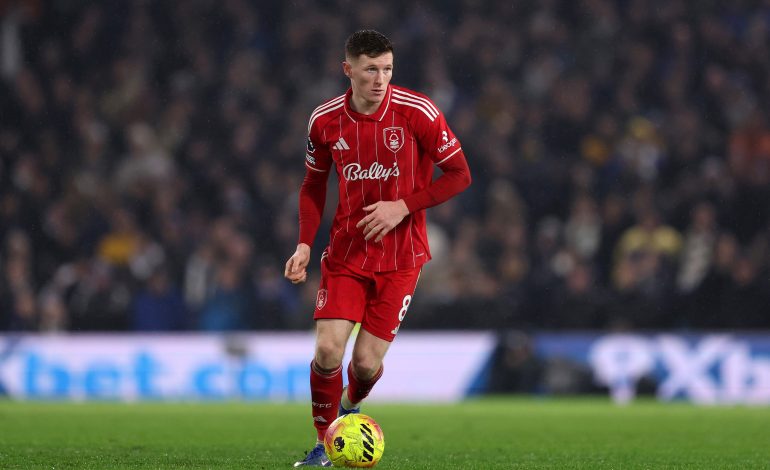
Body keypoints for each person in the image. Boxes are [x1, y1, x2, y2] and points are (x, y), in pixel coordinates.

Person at [284, 30, 472, 467]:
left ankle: (349, 407)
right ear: (347, 70)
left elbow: (460, 174)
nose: (380, 79)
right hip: (347, 254)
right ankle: (324, 443)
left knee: (366, 364)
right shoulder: (324, 121)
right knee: (328, 350)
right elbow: (313, 185)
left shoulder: (418, 112)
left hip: (402, 258)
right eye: (370, 69)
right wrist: (305, 244)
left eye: (387, 69)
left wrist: (402, 207)